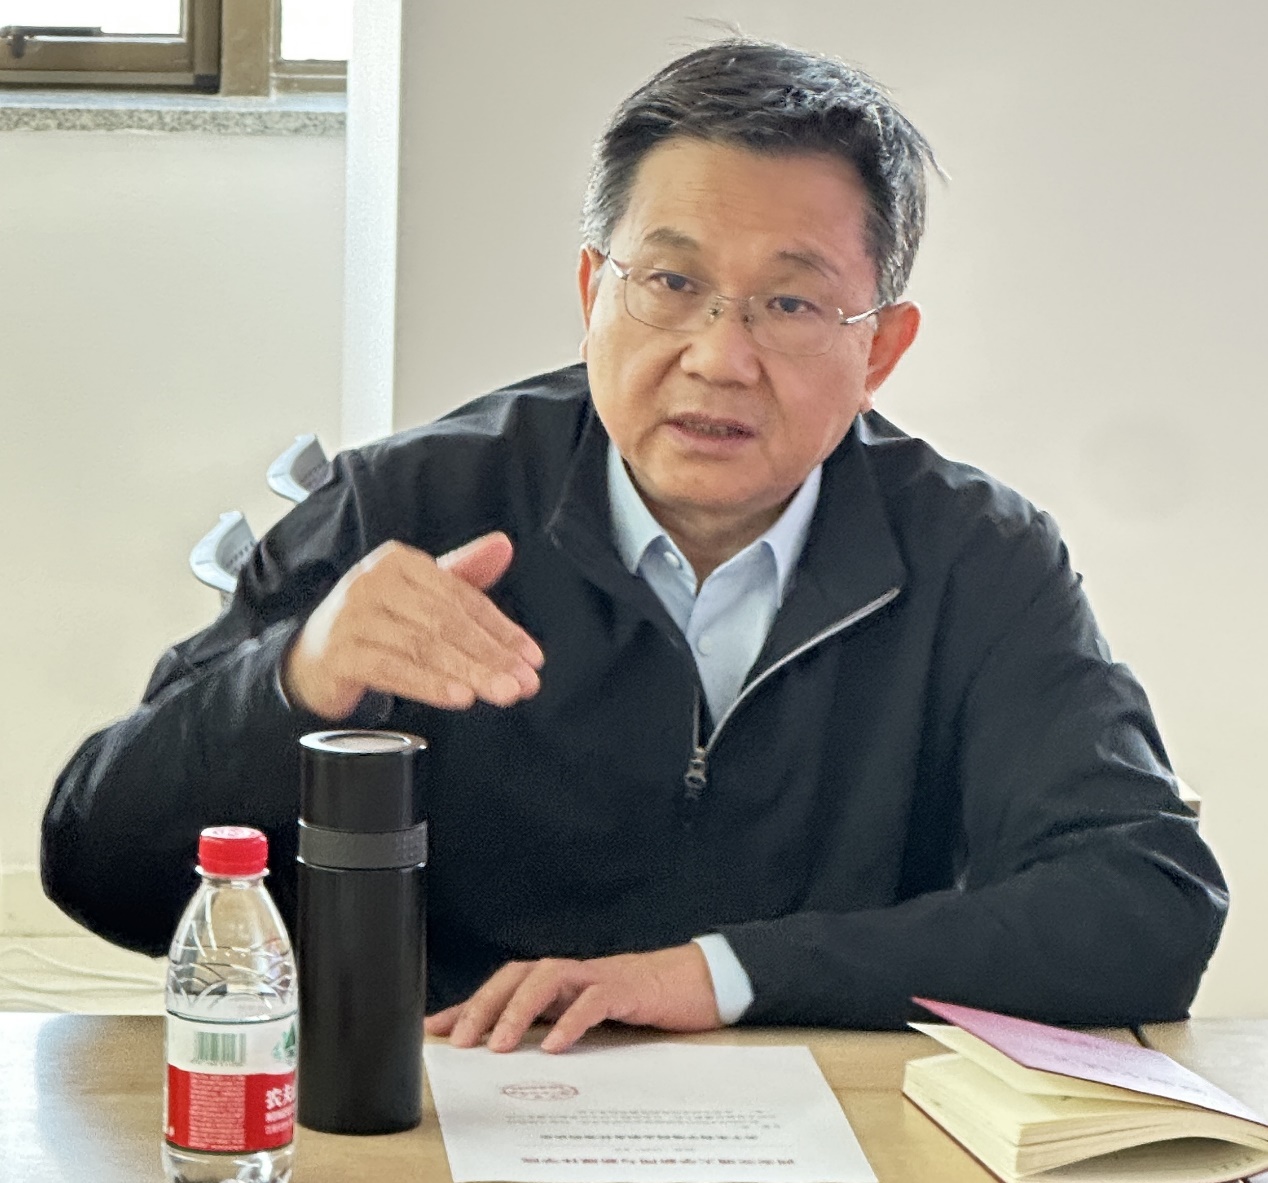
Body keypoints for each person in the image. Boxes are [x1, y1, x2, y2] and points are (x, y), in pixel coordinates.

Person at [43, 38, 1226, 1054]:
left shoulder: (976, 556)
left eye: (789, 302)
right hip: (450, 1107)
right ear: (590, 292)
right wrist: (296, 676)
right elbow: (100, 869)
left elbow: (1147, 902)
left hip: (828, 1125)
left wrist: (718, 974)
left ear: (880, 348)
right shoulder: (408, 506)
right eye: (670, 281)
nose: (718, 355)